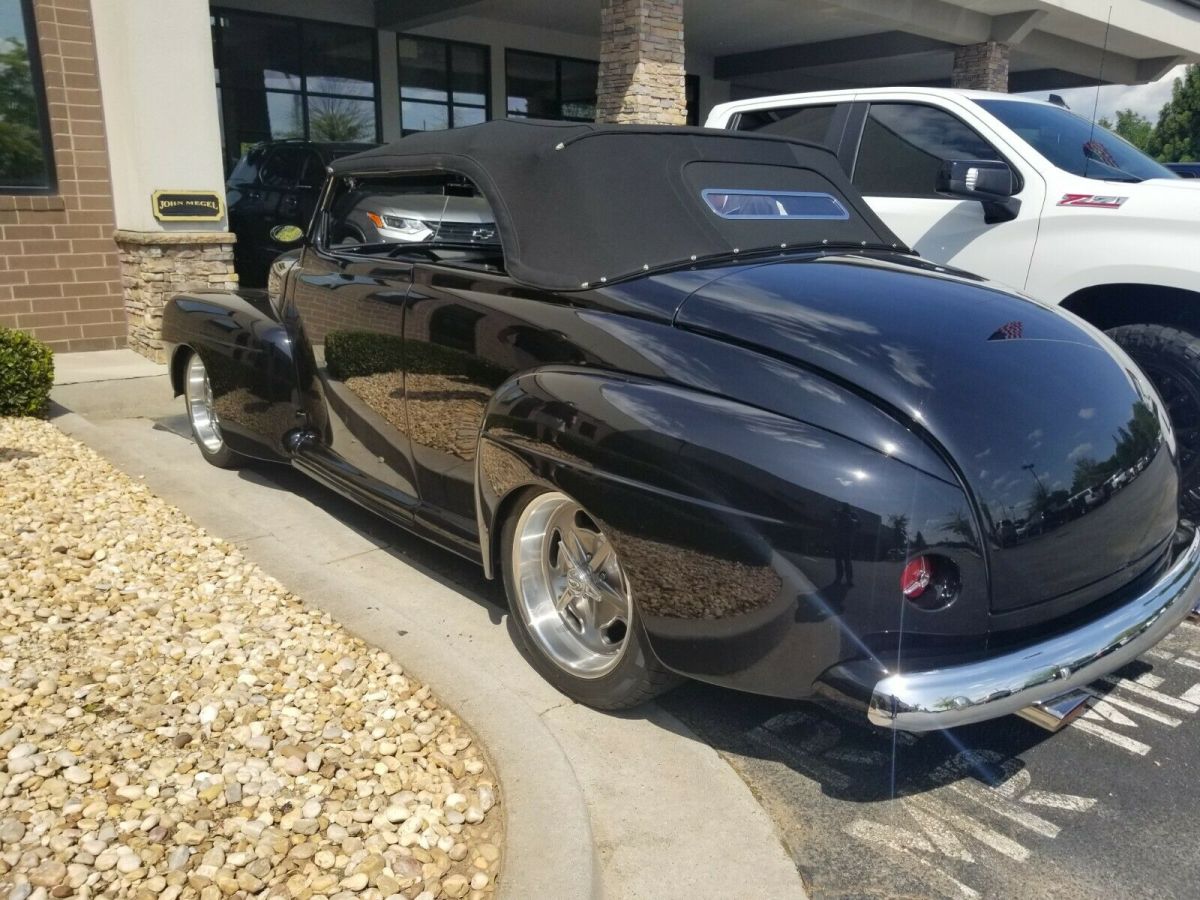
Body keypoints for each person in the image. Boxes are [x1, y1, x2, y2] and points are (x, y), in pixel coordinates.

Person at [832, 502, 859, 585]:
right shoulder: (843, 517)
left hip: (843, 542)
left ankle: (843, 579)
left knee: (842, 561)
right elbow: (834, 524)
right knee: (845, 561)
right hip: (843, 542)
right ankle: (846, 579)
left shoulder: (847, 517)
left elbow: (856, 525)